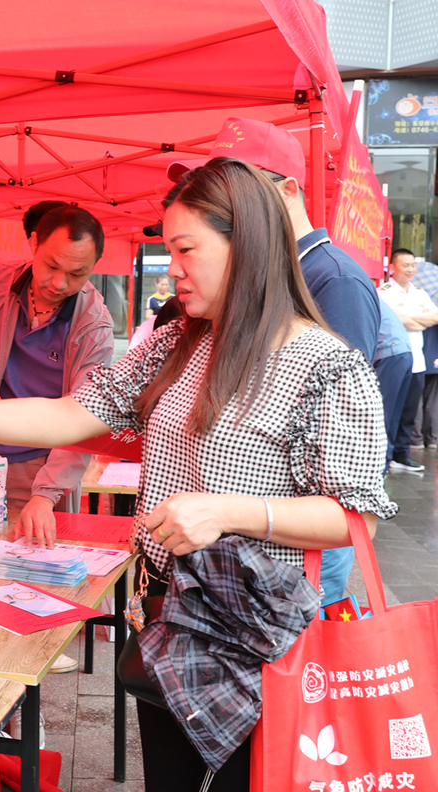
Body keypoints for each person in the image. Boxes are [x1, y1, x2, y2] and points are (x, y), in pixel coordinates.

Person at [0, 157, 394, 790]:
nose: (172, 267)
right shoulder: (182, 341)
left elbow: (355, 514)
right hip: (168, 620)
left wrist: (229, 511)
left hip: (251, 640)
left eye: (186, 248)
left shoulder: (325, 363)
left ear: (247, 245)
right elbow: (74, 410)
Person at [169, 116, 381, 606]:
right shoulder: (252, 281)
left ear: (285, 193)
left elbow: (338, 447)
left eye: (242, 188)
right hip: (231, 555)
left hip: (295, 555)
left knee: (296, 670)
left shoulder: (333, 281)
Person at [0, 204, 114, 545]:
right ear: (33, 243)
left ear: (94, 266)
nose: (59, 283)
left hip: (43, 464)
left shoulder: (94, 326)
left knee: (36, 578)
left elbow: (86, 416)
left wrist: (45, 494)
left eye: (77, 274)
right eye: (51, 266)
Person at [378, 248, 438, 473]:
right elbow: (392, 320)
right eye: (406, 265)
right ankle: (383, 456)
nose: (411, 269)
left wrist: (409, 320)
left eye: (413, 265)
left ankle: (402, 455)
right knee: (389, 411)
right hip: (391, 360)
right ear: (392, 268)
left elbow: (435, 317)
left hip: (418, 362)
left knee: (410, 412)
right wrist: (418, 320)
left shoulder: (420, 294)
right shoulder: (383, 292)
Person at [373, 300, 414, 471]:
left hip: (390, 352)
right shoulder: (374, 296)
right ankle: (382, 469)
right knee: (390, 418)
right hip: (403, 352)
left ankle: (377, 470)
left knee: (381, 418)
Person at [408, 257, 438, 449]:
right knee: (433, 401)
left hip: (418, 358)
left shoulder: (415, 303)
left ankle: (416, 440)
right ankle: (432, 439)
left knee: (416, 400)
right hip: (434, 357)